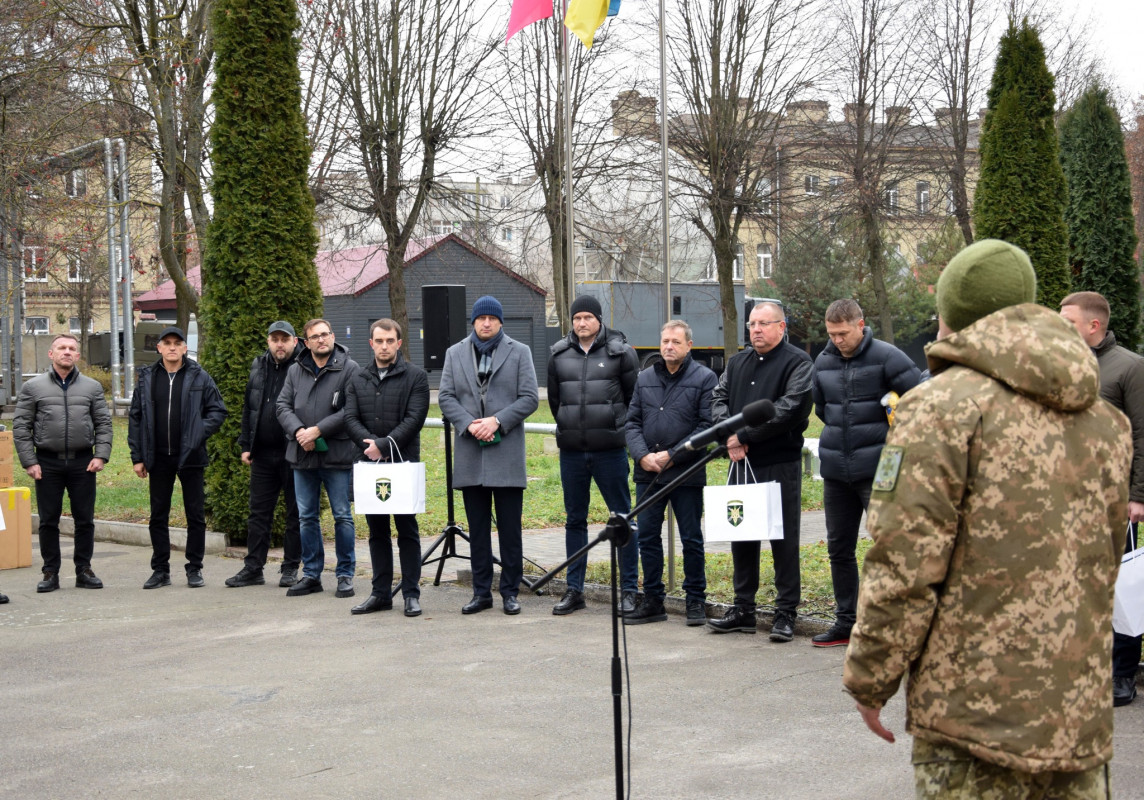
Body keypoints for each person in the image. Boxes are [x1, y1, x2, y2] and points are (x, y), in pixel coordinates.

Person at [844, 240, 1131, 796]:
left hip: (973, 719)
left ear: (951, 313)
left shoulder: (940, 408)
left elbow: (904, 561)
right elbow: (1101, 558)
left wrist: (870, 677)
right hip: (1076, 718)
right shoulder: (1105, 421)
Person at [810, 300, 920, 647]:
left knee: (889, 547)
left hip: (882, 468)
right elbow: (822, 410)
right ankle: (847, 621)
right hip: (835, 469)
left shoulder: (890, 357)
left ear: (861, 324)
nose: (837, 340)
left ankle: (894, 624)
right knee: (838, 548)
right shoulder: (823, 360)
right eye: (831, 334)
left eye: (843, 333)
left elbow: (920, 403)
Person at [708, 300, 813, 640]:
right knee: (742, 533)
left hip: (780, 462)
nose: (756, 330)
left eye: (764, 324)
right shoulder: (738, 362)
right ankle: (743, 609)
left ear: (782, 327)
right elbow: (718, 399)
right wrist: (730, 436)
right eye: (752, 324)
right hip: (742, 462)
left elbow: (790, 408)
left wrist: (744, 435)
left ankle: (785, 613)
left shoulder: (798, 363)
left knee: (783, 539)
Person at [1060, 290, 1144, 708]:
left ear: (1093, 325)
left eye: (1068, 321)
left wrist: (1138, 496)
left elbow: (1143, 434)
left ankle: (1122, 674)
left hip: (1113, 500)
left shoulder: (1128, 368)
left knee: (1117, 590)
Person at [438, 295, 539, 615]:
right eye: (480, 318)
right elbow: (445, 396)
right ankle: (481, 592)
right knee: (477, 531)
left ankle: (510, 591)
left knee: (510, 530)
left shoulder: (519, 352)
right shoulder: (454, 353)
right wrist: (469, 425)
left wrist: (497, 421)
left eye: (492, 319)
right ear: (473, 321)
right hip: (470, 453)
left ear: (500, 322)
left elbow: (529, 398)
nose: (486, 323)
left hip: (506, 453)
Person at [547, 295, 640, 616]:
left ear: (599, 319)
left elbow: (632, 400)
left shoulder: (621, 354)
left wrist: (618, 432)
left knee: (622, 518)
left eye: (587, 317)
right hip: (572, 453)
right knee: (575, 521)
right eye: (576, 318)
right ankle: (575, 590)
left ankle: (629, 589)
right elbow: (555, 401)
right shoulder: (558, 355)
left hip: (610, 451)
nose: (582, 323)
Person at [624, 320, 718, 626]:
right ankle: (653, 600)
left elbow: (707, 427)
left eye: (676, 342)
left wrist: (673, 456)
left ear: (689, 345)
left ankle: (695, 601)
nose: (668, 347)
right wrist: (642, 456)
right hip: (648, 473)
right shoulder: (645, 377)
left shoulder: (704, 378)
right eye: (665, 341)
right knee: (648, 537)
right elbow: (632, 422)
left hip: (686, 473)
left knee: (691, 538)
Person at [128, 326, 227, 589]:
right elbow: (136, 417)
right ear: (158, 348)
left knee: (195, 515)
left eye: (177, 343)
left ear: (185, 348)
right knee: (158, 515)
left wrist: (198, 432)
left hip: (191, 456)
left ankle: (194, 568)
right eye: (167, 343)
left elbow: (218, 411)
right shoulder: (147, 377)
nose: (172, 347)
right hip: (157, 457)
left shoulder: (200, 376)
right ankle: (160, 570)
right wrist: (137, 457)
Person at [13, 333, 113, 592]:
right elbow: (21, 426)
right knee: (48, 520)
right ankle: (50, 572)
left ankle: (84, 569)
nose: (67, 352)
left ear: (78, 355)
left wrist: (100, 454)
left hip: (83, 463)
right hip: (46, 463)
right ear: (52, 354)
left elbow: (103, 423)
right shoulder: (33, 387)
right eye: (61, 348)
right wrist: (29, 462)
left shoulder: (91, 387)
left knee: (85, 520)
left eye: (72, 348)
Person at [344, 318, 430, 617]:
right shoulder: (357, 378)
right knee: (376, 532)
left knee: (407, 531)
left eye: (389, 341)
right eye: (378, 341)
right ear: (371, 343)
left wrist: (384, 443)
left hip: (401, 464)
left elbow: (415, 417)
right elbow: (350, 417)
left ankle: (410, 594)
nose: (384, 346)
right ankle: (380, 594)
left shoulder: (416, 377)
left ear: (399, 343)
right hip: (369, 465)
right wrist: (371, 446)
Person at [276, 318, 361, 599]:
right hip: (302, 454)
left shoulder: (349, 368)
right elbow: (282, 406)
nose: (321, 340)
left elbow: (352, 410)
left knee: (342, 516)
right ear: (307, 342)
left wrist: (318, 430)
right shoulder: (295, 370)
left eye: (325, 335)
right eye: (315, 336)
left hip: (337, 454)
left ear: (333, 336)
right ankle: (312, 574)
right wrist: (300, 431)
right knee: (307, 517)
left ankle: (345, 574)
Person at [225, 321, 304, 589]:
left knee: (296, 513)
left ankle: (291, 567)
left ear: (295, 341)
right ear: (268, 341)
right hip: (263, 452)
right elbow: (250, 407)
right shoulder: (259, 365)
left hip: (293, 452)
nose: (279, 344)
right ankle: (253, 567)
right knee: (258, 513)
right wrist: (246, 444)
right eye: (275, 339)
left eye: (285, 339)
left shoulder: (303, 365)